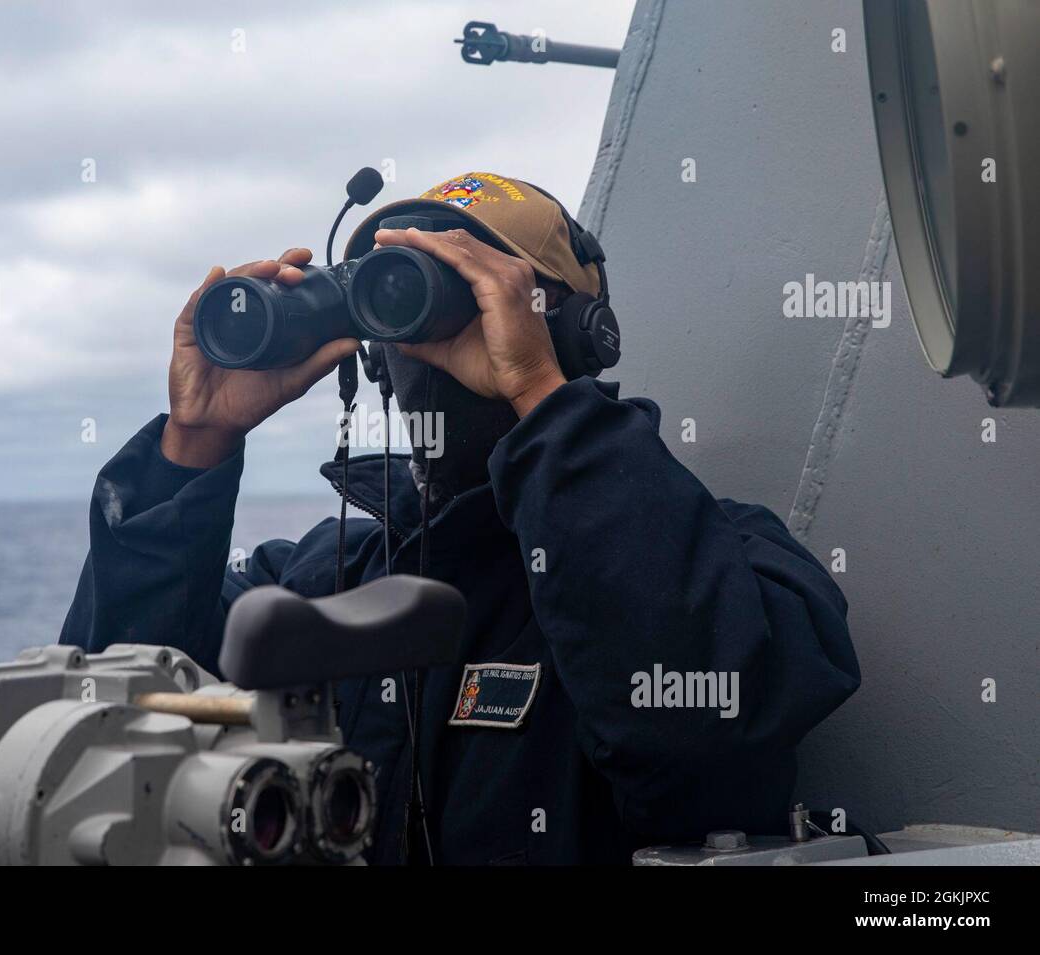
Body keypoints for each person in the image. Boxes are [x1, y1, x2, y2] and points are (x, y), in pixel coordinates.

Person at [60, 171, 860, 865]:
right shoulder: (312, 585)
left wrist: (543, 400)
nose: (429, 338)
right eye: (397, 292)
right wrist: (193, 444)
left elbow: (705, 743)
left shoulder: (732, 566)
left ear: (575, 335)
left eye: (473, 291)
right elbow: (113, 738)